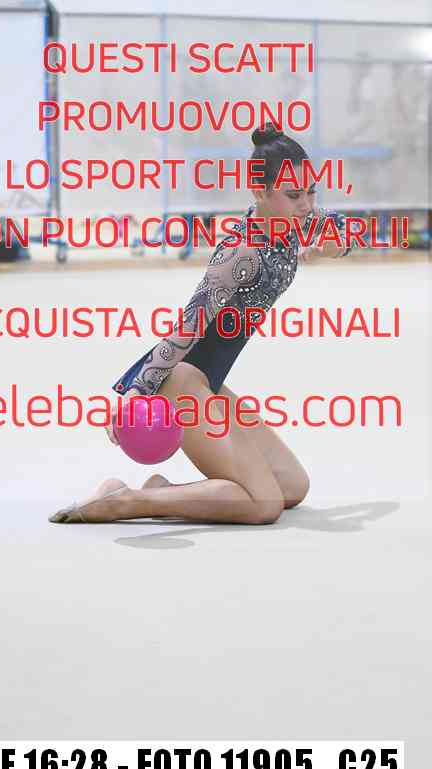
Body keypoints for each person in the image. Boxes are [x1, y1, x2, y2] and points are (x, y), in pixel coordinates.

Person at [49, 124, 353, 525]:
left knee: (292, 486)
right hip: (181, 382)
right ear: (259, 191)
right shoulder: (241, 253)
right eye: (294, 195)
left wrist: (334, 247)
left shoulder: (295, 223)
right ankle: (127, 500)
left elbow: (347, 229)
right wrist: (137, 390)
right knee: (264, 505)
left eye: (312, 192)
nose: (307, 205)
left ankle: (163, 491)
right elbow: (188, 326)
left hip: (208, 382)